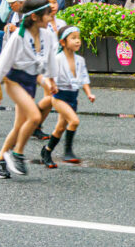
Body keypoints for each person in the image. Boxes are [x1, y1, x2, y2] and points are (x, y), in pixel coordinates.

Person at [0, 0, 59, 179]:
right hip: (15, 80)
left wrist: (51, 81)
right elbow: (3, 60)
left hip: (31, 80)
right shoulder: (18, 36)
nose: (50, 18)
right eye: (47, 15)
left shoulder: (48, 35)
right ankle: (17, 153)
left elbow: (50, 59)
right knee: (34, 116)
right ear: (34, 17)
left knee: (19, 126)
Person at [39, 26, 95, 169]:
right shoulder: (57, 59)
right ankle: (68, 152)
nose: (77, 41)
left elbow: (84, 78)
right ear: (63, 42)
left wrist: (89, 93)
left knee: (59, 129)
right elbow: (46, 76)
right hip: (59, 96)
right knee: (74, 121)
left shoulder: (80, 60)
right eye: (73, 38)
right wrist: (51, 85)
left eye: (78, 38)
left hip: (73, 97)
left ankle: (47, 151)